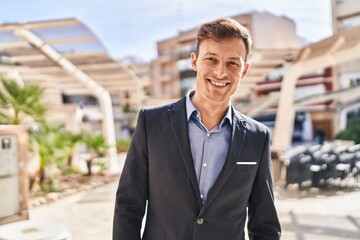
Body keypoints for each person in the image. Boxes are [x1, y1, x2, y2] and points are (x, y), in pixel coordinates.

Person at [113, 17, 281, 240]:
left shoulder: (257, 137)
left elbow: (265, 224)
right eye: (211, 59)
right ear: (195, 61)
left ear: (244, 70)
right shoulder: (151, 123)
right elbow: (128, 206)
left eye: (233, 63)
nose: (221, 72)